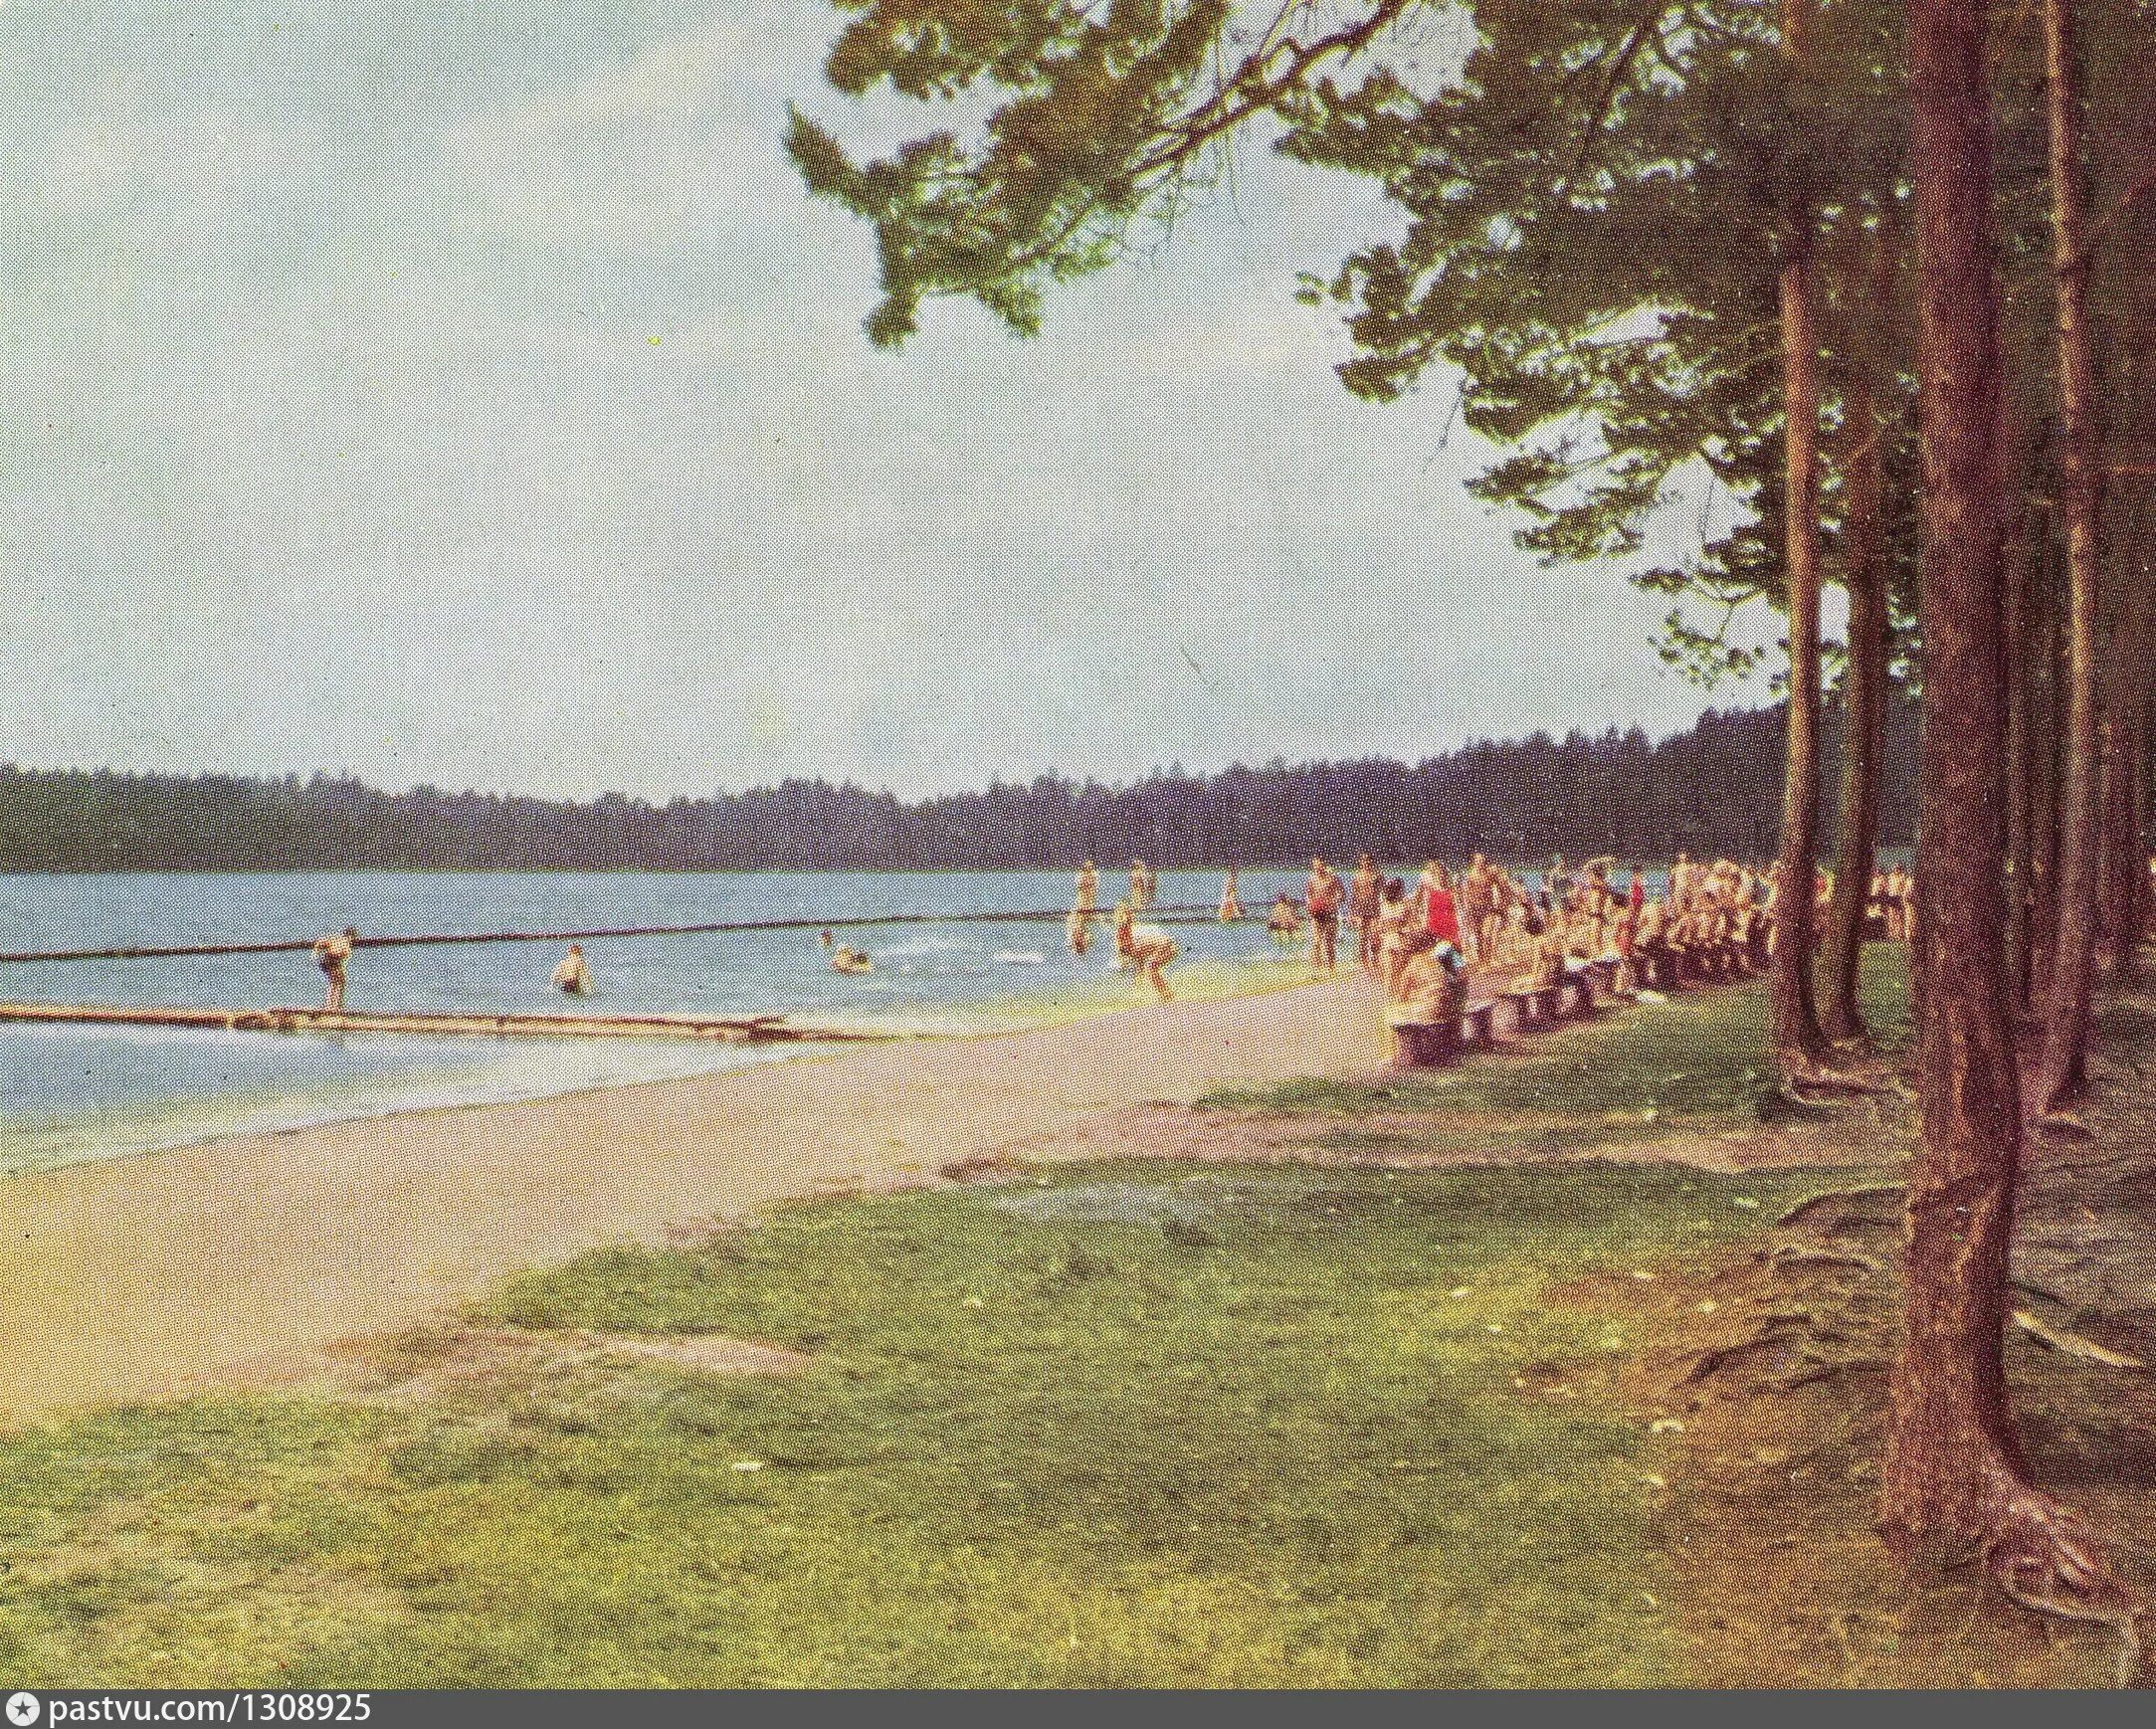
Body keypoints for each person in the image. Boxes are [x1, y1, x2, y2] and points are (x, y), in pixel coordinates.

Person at [1114, 901, 1178, 1001]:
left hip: (1166, 945)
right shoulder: (1129, 945)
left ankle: (1166, 996)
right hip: (1167, 946)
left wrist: (1124, 915)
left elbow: (1124, 925)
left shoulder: (1126, 942)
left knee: (1150, 967)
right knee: (1150, 968)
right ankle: (1166, 995)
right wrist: (1137, 984)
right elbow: (1139, 966)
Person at [1304, 856, 1345, 972]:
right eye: (1315, 865)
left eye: (1319, 865)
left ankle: (1331, 968)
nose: (1317, 867)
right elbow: (1308, 895)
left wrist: (1333, 901)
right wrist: (1309, 905)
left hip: (1330, 913)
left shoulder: (1333, 878)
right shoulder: (1312, 879)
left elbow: (1342, 894)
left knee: (1329, 942)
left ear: (1324, 865)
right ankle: (1315, 969)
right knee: (1316, 941)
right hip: (1316, 914)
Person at [1349, 854, 1384, 969]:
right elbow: (1354, 895)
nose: (1366, 863)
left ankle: (1375, 961)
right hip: (1360, 908)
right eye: (1363, 861)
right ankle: (1363, 963)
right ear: (1360, 862)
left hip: (1374, 908)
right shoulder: (1357, 876)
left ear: (1371, 861)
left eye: (1368, 860)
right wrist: (1352, 913)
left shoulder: (1377, 875)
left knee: (1374, 936)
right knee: (1362, 937)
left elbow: (1382, 892)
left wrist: (1384, 908)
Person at [311, 926, 357, 1012]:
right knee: (337, 983)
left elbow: (321, 942)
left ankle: (332, 1004)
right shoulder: (345, 943)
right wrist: (315, 953)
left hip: (328, 961)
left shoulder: (336, 938)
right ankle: (332, 1005)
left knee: (337, 982)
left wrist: (315, 953)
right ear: (351, 936)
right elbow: (342, 957)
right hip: (332, 961)